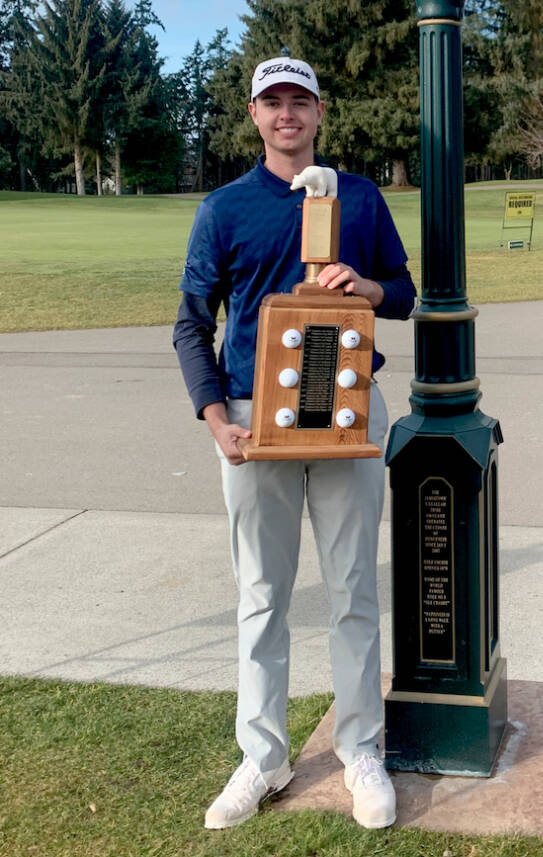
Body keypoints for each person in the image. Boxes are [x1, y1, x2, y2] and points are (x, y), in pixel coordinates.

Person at [172, 54, 416, 830]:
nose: (287, 115)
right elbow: (190, 322)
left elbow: (404, 294)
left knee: (353, 588)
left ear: (318, 113)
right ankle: (264, 756)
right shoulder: (224, 208)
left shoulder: (361, 197)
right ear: (254, 114)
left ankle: (360, 749)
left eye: (299, 102)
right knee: (263, 595)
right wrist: (216, 417)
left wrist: (365, 285)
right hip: (254, 418)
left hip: (346, 410)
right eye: (273, 102)